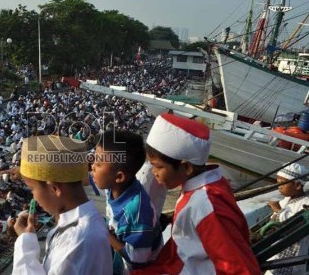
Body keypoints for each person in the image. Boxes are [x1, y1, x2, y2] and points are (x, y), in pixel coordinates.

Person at [134, 113, 260, 274]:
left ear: (186, 168)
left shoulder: (206, 205)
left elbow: (240, 268)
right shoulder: (205, 185)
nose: (154, 172)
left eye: (158, 167)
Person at [11, 135, 112, 274]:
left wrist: (25, 242)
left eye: (32, 189)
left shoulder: (76, 241)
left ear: (55, 189)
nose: (34, 197)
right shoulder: (86, 221)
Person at [92, 131, 163, 274]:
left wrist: (107, 235)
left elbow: (137, 260)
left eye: (98, 164)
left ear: (119, 176)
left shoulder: (136, 212)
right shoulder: (115, 186)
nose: (92, 166)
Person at [265, 163, 309, 274]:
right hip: (276, 256)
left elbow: (295, 226)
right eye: (278, 183)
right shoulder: (286, 200)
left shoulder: (306, 203)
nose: (279, 187)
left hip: (293, 257)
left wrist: (278, 211)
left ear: (298, 185)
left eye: (282, 184)